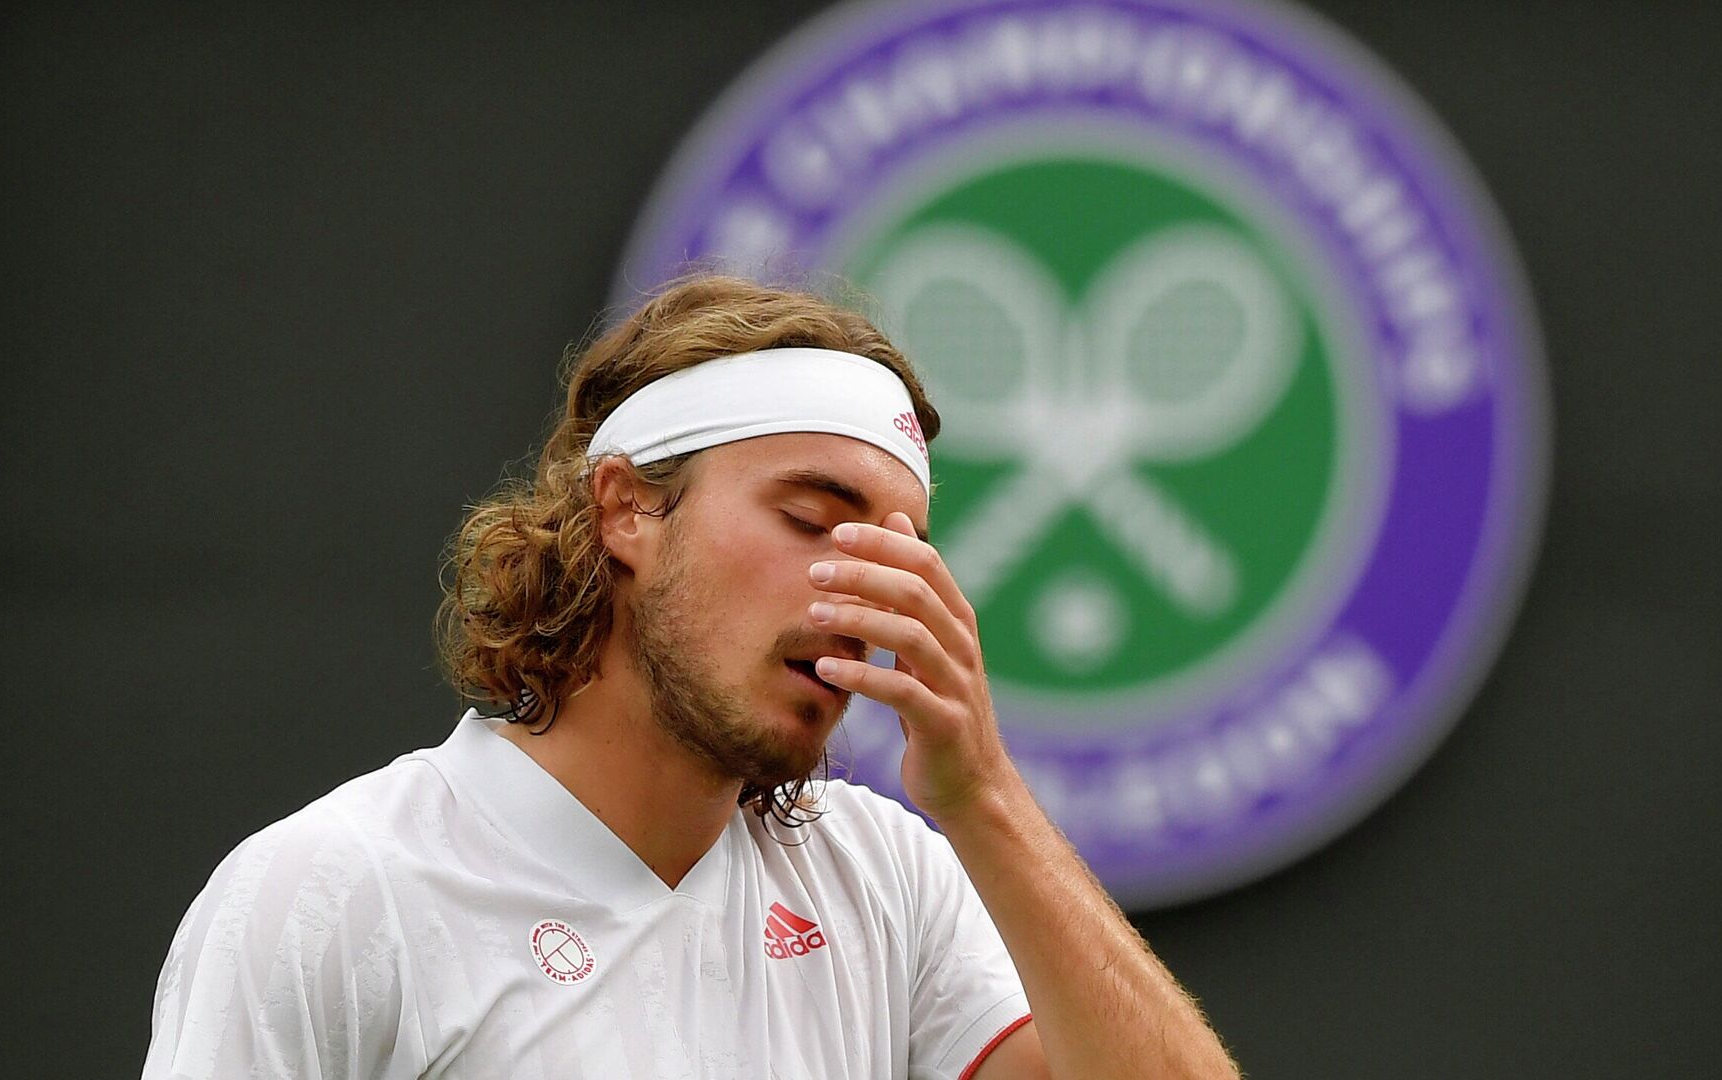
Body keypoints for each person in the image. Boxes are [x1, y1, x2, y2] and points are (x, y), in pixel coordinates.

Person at [143, 275, 1241, 1079]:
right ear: (627, 509)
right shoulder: (333, 894)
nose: (863, 594)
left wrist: (986, 797)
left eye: (902, 553)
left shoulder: (888, 882)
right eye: (811, 520)